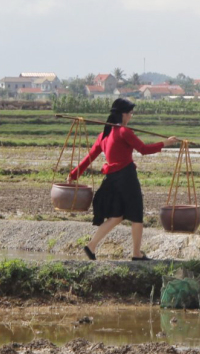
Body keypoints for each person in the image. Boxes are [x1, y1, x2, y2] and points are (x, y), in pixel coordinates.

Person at [69, 98, 177, 260]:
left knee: (117, 216)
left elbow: (89, 158)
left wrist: (73, 175)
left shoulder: (103, 136)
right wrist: (165, 143)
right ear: (123, 115)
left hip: (111, 179)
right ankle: (136, 254)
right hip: (127, 177)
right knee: (136, 214)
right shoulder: (124, 132)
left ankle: (91, 246)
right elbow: (144, 150)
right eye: (130, 113)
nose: (131, 117)